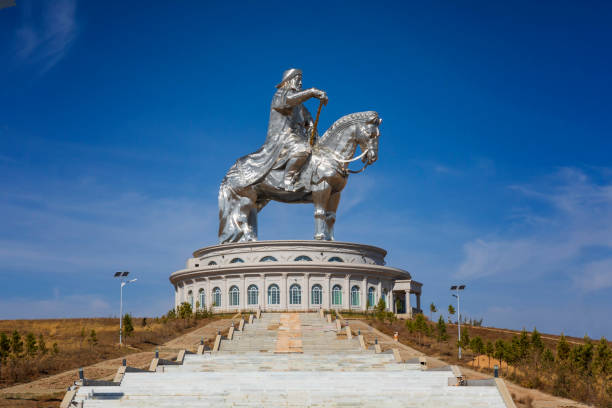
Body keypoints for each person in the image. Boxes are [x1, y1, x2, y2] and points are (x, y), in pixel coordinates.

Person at [266, 68, 328, 190]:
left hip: (298, 137)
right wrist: (311, 92)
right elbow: (289, 100)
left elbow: (308, 119)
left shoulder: (300, 106)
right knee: (302, 148)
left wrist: (311, 128)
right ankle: (287, 181)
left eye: (301, 80)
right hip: (283, 137)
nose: (300, 83)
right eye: (298, 79)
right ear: (289, 81)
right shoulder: (280, 95)